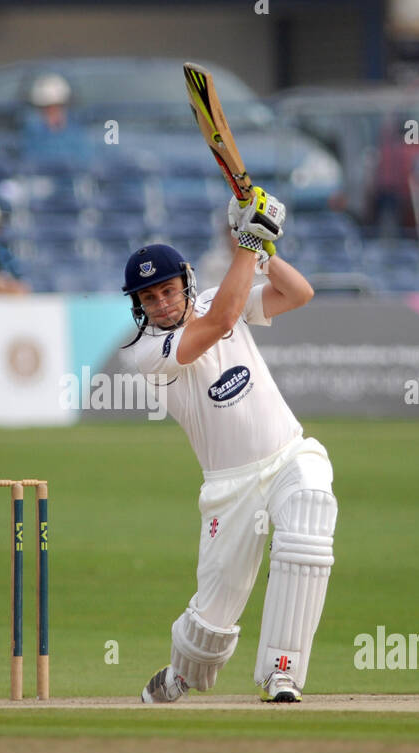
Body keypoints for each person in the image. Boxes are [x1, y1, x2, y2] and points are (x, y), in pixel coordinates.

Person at [124, 186, 337, 704]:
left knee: (310, 517)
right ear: (139, 306)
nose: (162, 304)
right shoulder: (147, 353)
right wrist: (247, 238)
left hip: (289, 454)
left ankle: (282, 672)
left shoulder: (218, 298)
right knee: (213, 621)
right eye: (149, 299)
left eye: (169, 291)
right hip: (230, 488)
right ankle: (182, 674)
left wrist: (265, 251)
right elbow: (220, 322)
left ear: (185, 282)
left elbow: (298, 295)